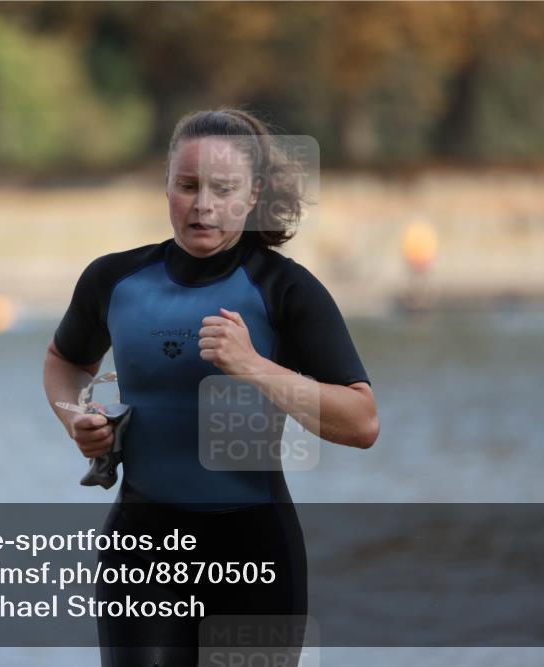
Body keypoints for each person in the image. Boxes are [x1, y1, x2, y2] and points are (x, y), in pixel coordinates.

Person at [43, 108, 379, 667]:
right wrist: (76, 418)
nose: (202, 205)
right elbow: (63, 360)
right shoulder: (114, 280)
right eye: (187, 185)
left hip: (253, 556)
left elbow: (362, 422)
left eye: (223, 189)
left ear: (254, 196)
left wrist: (253, 366)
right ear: (166, 186)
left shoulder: (285, 289)